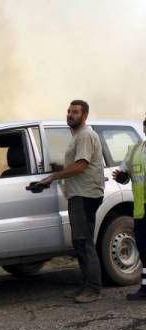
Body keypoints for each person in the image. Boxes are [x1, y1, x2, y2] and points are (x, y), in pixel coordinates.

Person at [39, 100, 105, 303]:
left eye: (75, 112)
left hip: (86, 195)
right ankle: (85, 285)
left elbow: (80, 166)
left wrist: (53, 177)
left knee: (85, 242)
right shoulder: (77, 136)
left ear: (84, 115)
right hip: (78, 194)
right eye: (68, 111)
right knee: (79, 242)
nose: (70, 114)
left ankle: (93, 289)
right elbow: (74, 164)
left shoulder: (85, 135)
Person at [113, 115, 146, 300]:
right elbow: (125, 174)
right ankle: (145, 287)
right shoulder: (134, 151)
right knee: (144, 249)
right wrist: (120, 177)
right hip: (141, 209)